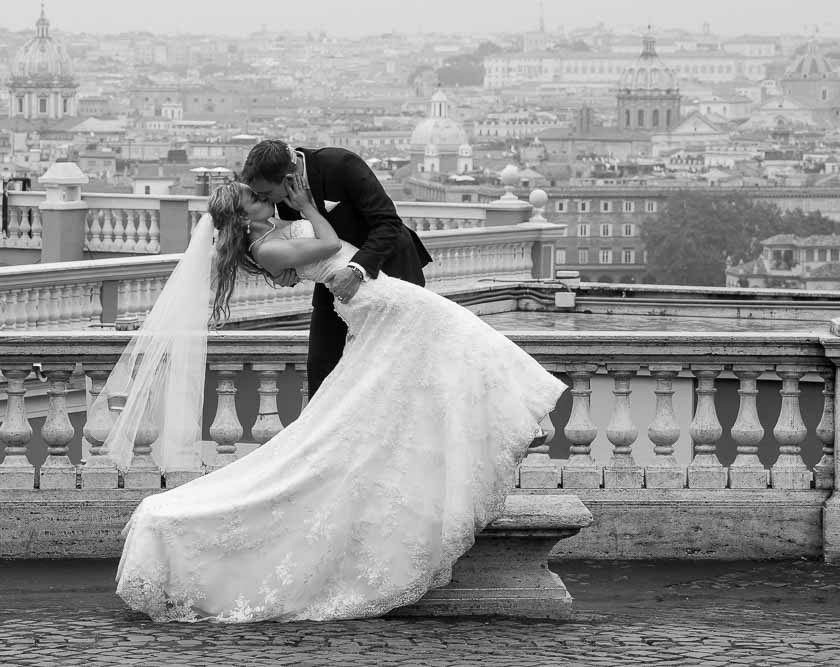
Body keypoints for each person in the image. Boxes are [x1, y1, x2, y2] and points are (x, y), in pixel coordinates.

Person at [112, 179, 568, 623]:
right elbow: (330, 246)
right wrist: (309, 207)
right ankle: (518, 419)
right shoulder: (265, 247)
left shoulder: (270, 233)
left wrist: (296, 210)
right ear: (241, 216)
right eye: (254, 198)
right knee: (459, 342)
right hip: (375, 297)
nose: (264, 198)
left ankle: (512, 421)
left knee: (443, 360)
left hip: (375, 292)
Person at [241, 140, 432, 397]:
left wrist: (356, 270)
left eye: (266, 194)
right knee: (322, 370)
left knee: (394, 370)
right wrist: (283, 272)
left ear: (289, 178)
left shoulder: (341, 164)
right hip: (333, 285)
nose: (265, 201)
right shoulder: (281, 194)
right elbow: (298, 243)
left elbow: (388, 223)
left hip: (389, 269)